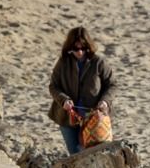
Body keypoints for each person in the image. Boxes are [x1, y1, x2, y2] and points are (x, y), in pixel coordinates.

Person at [48, 26, 115, 155]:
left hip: (95, 118)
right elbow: (53, 86)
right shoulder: (63, 62)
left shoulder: (98, 62)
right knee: (75, 154)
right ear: (69, 48)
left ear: (88, 46)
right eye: (76, 49)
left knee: (94, 154)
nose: (80, 52)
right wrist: (64, 100)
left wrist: (105, 101)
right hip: (68, 118)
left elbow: (112, 85)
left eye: (83, 48)